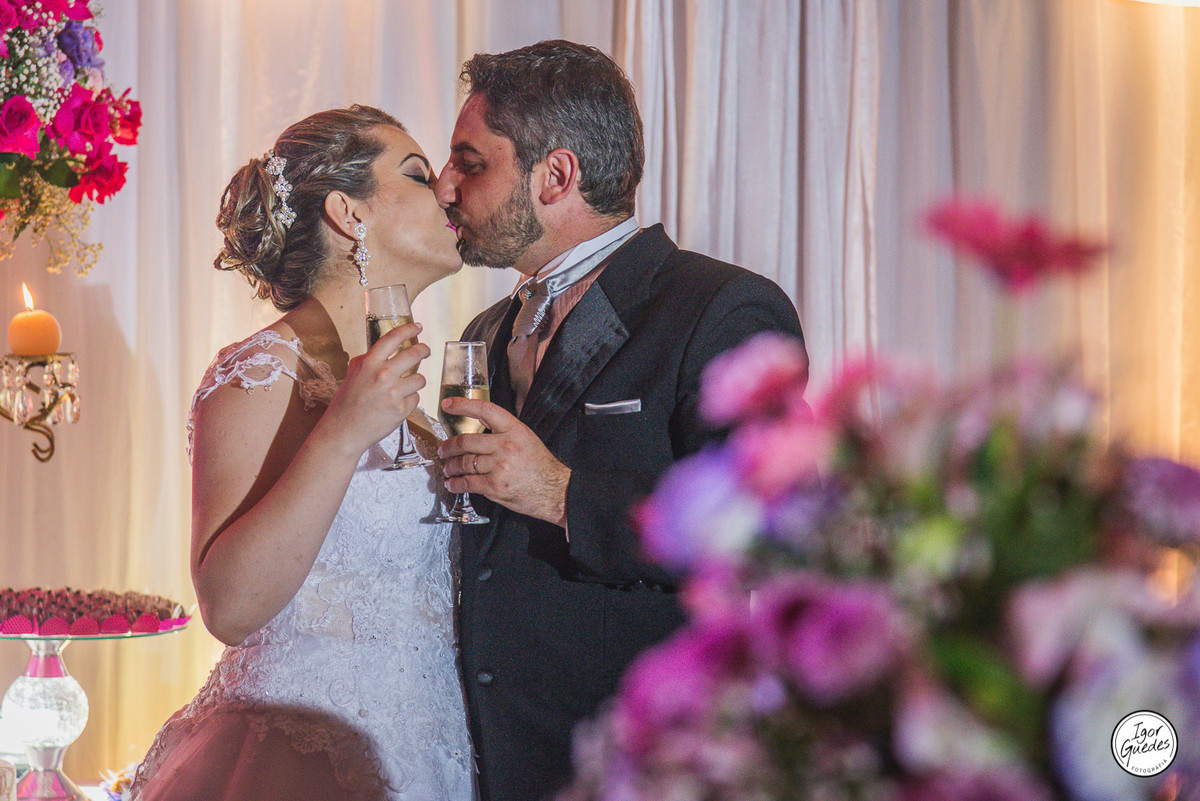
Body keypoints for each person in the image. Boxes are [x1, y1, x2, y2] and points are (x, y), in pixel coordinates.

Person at [434, 40, 809, 801]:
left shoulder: (722, 308)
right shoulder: (482, 333)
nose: (444, 186)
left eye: (470, 163)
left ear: (556, 175)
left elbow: (766, 531)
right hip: (489, 763)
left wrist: (561, 493)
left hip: (638, 761)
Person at [131, 106, 473, 801]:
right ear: (349, 213)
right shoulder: (261, 372)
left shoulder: (419, 405)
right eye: (417, 174)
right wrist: (343, 433)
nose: (446, 189)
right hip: (301, 756)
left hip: (433, 750)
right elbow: (229, 606)